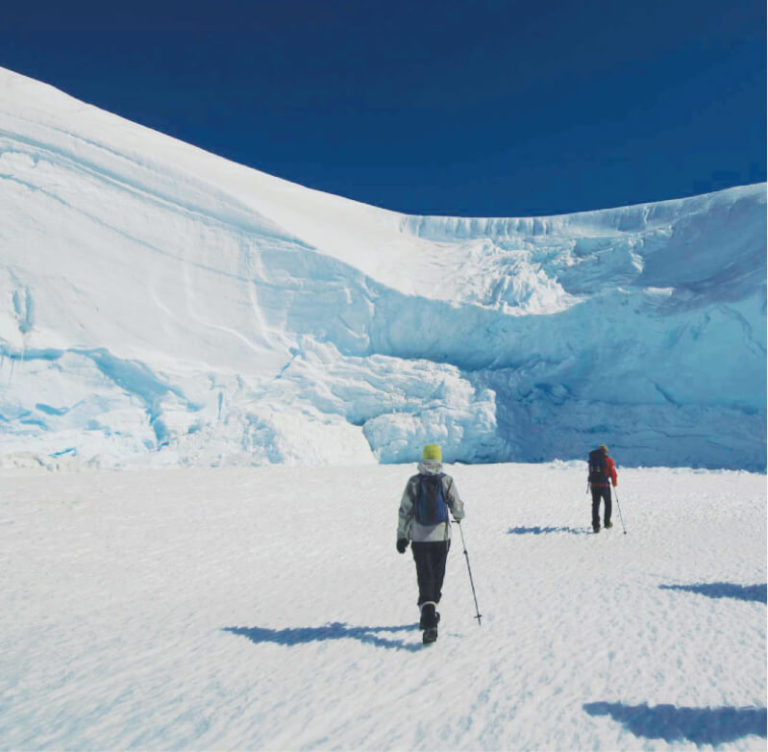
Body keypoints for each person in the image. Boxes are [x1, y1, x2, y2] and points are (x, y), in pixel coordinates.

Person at [396, 443, 465, 643]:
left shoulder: (414, 482)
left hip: (419, 538)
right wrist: (459, 516)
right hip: (441, 537)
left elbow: (405, 510)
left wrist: (402, 536)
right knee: (437, 575)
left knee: (424, 575)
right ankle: (430, 610)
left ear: (423, 459)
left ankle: (427, 611)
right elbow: (457, 506)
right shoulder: (446, 481)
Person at [588, 444, 617, 533]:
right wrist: (614, 483)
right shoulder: (609, 460)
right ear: (606, 452)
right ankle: (607, 522)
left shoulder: (592, 461)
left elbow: (590, 472)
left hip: (594, 486)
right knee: (608, 504)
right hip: (604, 486)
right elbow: (613, 473)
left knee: (595, 505)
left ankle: (596, 526)